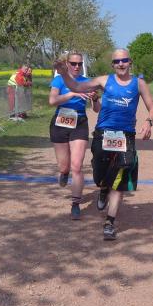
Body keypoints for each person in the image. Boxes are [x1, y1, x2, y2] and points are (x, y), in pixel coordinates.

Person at [54, 48, 153, 241]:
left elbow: (152, 109)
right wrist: (63, 74)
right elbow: (76, 86)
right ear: (112, 64)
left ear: (130, 62)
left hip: (126, 135)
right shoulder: (104, 80)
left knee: (120, 177)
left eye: (124, 60)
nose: (121, 64)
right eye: (117, 61)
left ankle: (109, 223)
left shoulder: (139, 83)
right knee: (99, 175)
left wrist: (148, 122)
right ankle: (102, 188)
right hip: (104, 133)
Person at [49, 52, 100, 221]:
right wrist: (72, 94)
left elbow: (97, 109)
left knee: (77, 166)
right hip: (60, 122)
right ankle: (64, 173)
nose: (77, 66)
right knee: (65, 167)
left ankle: (75, 204)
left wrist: (95, 98)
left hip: (79, 122)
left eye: (79, 63)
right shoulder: (59, 80)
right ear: (67, 64)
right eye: (73, 63)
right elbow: (52, 101)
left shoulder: (87, 82)